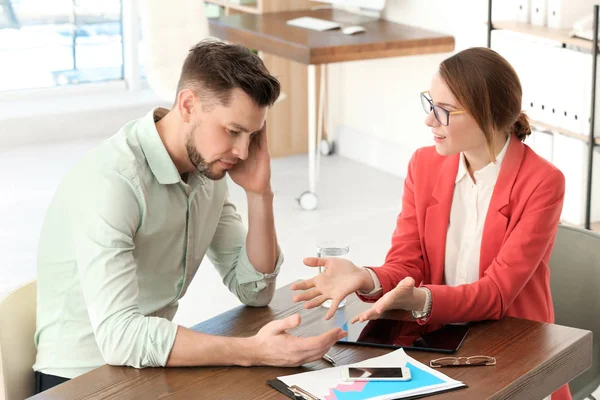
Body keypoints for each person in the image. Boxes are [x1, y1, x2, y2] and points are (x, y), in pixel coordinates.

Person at [33, 39, 345, 393]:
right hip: (78, 380)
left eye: (252, 135)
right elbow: (119, 337)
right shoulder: (114, 182)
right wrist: (252, 351)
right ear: (188, 105)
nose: (242, 151)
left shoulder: (206, 171)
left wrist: (260, 194)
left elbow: (253, 290)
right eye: (233, 131)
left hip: (146, 367)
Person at [291, 47, 569, 400]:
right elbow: (408, 263)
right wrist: (367, 277)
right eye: (430, 104)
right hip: (438, 342)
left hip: (510, 344)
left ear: (488, 116)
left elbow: (497, 293)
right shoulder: (424, 165)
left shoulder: (542, 181)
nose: (430, 120)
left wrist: (421, 298)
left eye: (445, 111)